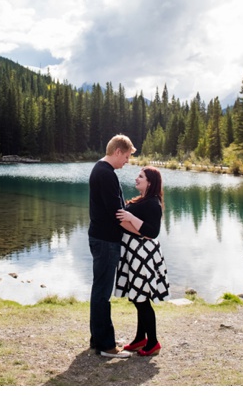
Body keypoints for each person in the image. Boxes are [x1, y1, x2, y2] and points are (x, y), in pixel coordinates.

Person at [88, 134, 136, 358]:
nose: (126, 161)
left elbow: (117, 206)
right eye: (126, 157)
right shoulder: (106, 174)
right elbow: (117, 213)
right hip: (106, 240)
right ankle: (107, 346)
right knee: (102, 293)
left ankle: (97, 339)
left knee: (99, 290)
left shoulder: (101, 169)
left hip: (100, 237)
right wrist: (141, 231)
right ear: (117, 151)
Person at [114, 165, 169, 357]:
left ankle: (153, 342)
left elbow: (152, 232)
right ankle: (140, 339)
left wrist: (129, 219)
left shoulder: (153, 203)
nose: (136, 178)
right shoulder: (143, 200)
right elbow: (136, 228)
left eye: (141, 176)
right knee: (137, 296)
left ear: (150, 182)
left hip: (142, 255)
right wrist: (132, 224)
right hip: (134, 252)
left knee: (142, 299)